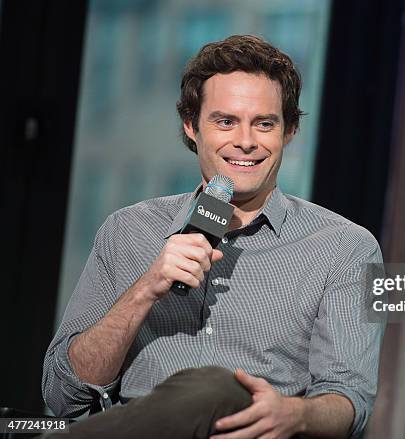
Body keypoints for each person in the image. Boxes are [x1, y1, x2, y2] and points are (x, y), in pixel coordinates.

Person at [42, 35, 384, 439]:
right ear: (191, 126)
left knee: (214, 388)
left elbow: (350, 401)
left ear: (289, 131)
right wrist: (145, 291)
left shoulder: (346, 247)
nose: (245, 141)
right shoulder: (127, 230)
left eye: (264, 123)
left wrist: (294, 414)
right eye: (225, 121)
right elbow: (64, 394)